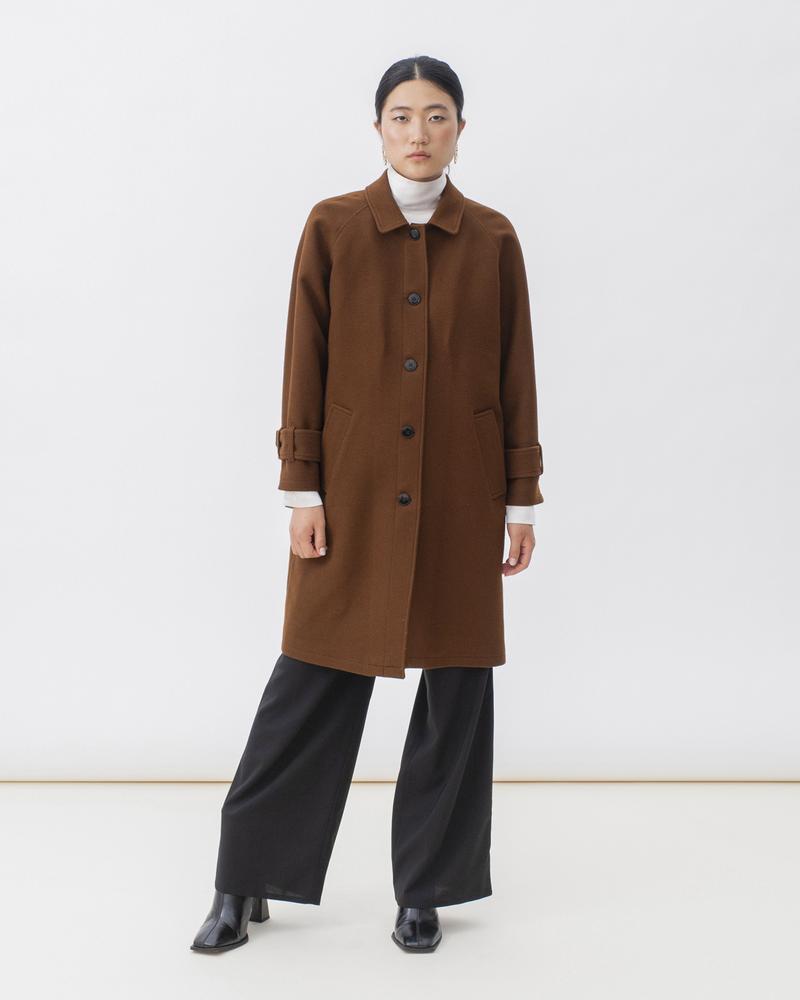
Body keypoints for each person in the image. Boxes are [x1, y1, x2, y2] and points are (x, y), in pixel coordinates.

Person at [191, 54, 544, 955]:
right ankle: (243, 877)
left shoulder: (493, 238)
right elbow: (302, 361)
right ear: (378, 128)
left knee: (457, 690)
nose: (419, 133)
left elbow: (516, 372)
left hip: (462, 495)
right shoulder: (334, 226)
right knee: (311, 679)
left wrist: (520, 500)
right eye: (401, 116)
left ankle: (427, 889)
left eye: (437, 115)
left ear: (461, 128)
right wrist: (301, 487)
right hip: (348, 495)